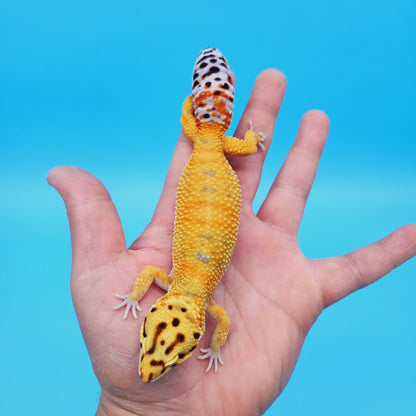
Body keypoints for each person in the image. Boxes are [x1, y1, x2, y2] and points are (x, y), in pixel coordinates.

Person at [47, 69, 416, 415]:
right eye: (162, 352)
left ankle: (205, 103)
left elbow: (209, 317)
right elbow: (168, 286)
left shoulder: (194, 301)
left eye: (148, 345)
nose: (148, 363)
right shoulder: (179, 290)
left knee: (195, 128)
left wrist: (136, 301)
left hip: (208, 162)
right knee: (196, 129)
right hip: (214, 161)